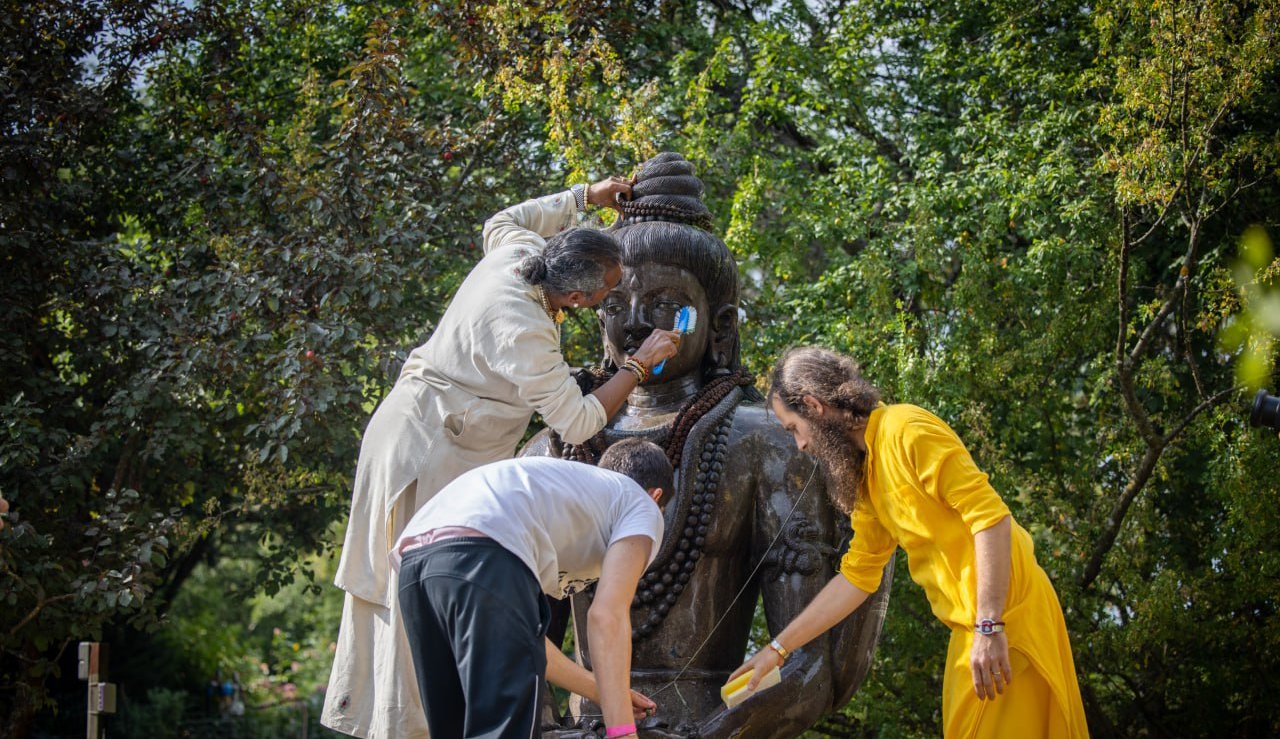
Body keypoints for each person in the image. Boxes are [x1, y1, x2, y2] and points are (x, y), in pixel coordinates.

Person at [522, 153, 891, 738]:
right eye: (615, 306)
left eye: (667, 304)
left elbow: (808, 661)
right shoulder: (551, 452)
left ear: (718, 324)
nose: (638, 324)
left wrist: (709, 733)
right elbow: (518, 648)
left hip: (710, 723)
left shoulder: (762, 445)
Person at [321, 180, 681, 739]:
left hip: (427, 462)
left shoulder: (514, 253)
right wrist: (638, 366)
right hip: (432, 447)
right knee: (411, 647)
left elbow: (502, 217)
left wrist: (588, 195)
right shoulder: (526, 331)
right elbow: (581, 421)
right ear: (578, 300)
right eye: (609, 294)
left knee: (433, 636)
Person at [732, 346, 1089, 739]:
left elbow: (991, 519)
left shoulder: (907, 429)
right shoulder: (867, 480)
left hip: (1006, 617)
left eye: (793, 429)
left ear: (815, 407)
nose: (799, 445)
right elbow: (857, 579)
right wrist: (776, 650)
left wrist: (990, 625)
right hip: (974, 628)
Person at [394, 439, 672, 739]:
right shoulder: (642, 504)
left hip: (416, 562)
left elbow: (527, 638)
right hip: (485, 552)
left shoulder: (553, 495)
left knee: (454, 730)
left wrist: (603, 691)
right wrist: (622, 732)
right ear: (656, 495)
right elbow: (607, 617)